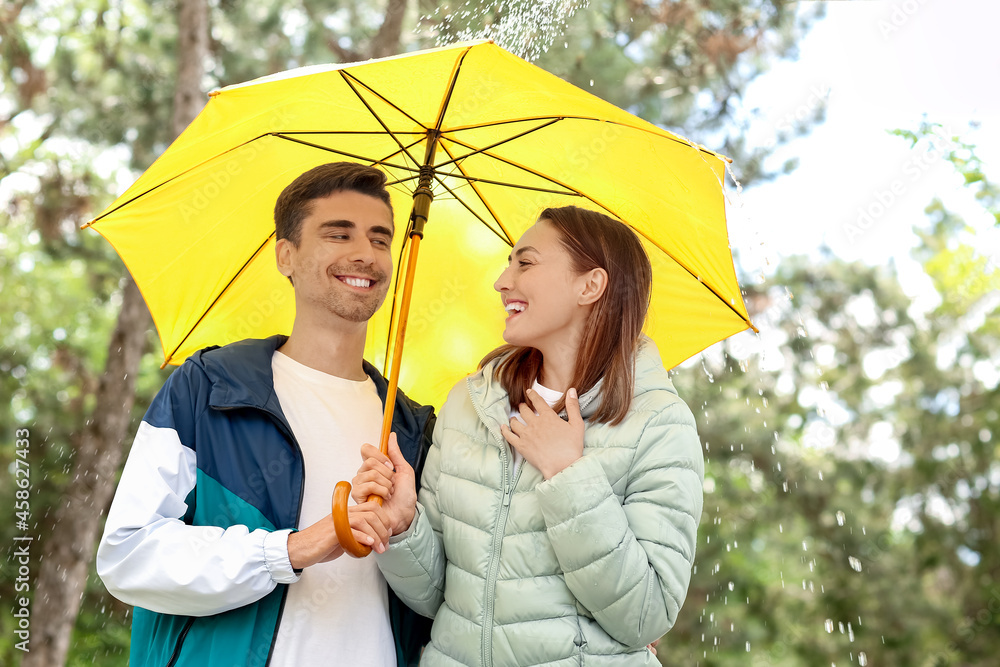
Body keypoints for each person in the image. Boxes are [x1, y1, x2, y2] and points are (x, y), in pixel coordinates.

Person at [97, 162, 433, 667]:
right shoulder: (209, 388)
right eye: (338, 234)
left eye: (381, 240)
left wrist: (405, 531)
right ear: (286, 256)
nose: (365, 254)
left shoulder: (411, 429)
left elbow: (437, 599)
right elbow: (128, 555)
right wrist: (290, 551)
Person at [351, 206, 705, 665]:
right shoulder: (470, 404)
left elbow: (645, 616)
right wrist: (403, 527)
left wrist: (568, 474)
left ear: (590, 285)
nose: (502, 280)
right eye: (508, 262)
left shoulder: (659, 423)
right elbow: (440, 598)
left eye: (525, 262)